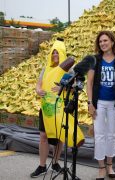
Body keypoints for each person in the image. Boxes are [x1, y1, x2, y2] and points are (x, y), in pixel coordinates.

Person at [86, 31, 115, 180]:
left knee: (112, 135)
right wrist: (90, 103)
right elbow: (89, 83)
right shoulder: (95, 60)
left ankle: (110, 165)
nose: (103, 43)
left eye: (105, 40)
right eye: (100, 41)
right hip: (99, 103)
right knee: (99, 135)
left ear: (112, 42)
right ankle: (101, 167)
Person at [31, 39, 66, 178]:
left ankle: (56, 162)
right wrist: (38, 90)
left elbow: (76, 85)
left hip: (60, 108)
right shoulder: (46, 69)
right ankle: (42, 165)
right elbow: (38, 85)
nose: (55, 55)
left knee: (59, 137)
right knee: (43, 136)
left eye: (58, 52)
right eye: (53, 53)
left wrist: (62, 87)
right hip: (46, 108)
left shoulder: (68, 69)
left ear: (63, 54)